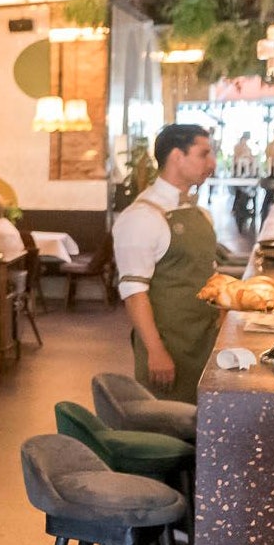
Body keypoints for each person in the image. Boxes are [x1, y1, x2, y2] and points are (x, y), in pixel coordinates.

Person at [113, 124, 220, 403]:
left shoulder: (200, 213)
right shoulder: (141, 217)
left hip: (204, 340)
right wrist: (156, 351)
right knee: (169, 427)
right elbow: (135, 294)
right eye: (204, 154)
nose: (212, 163)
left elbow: (207, 272)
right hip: (169, 344)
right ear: (176, 157)